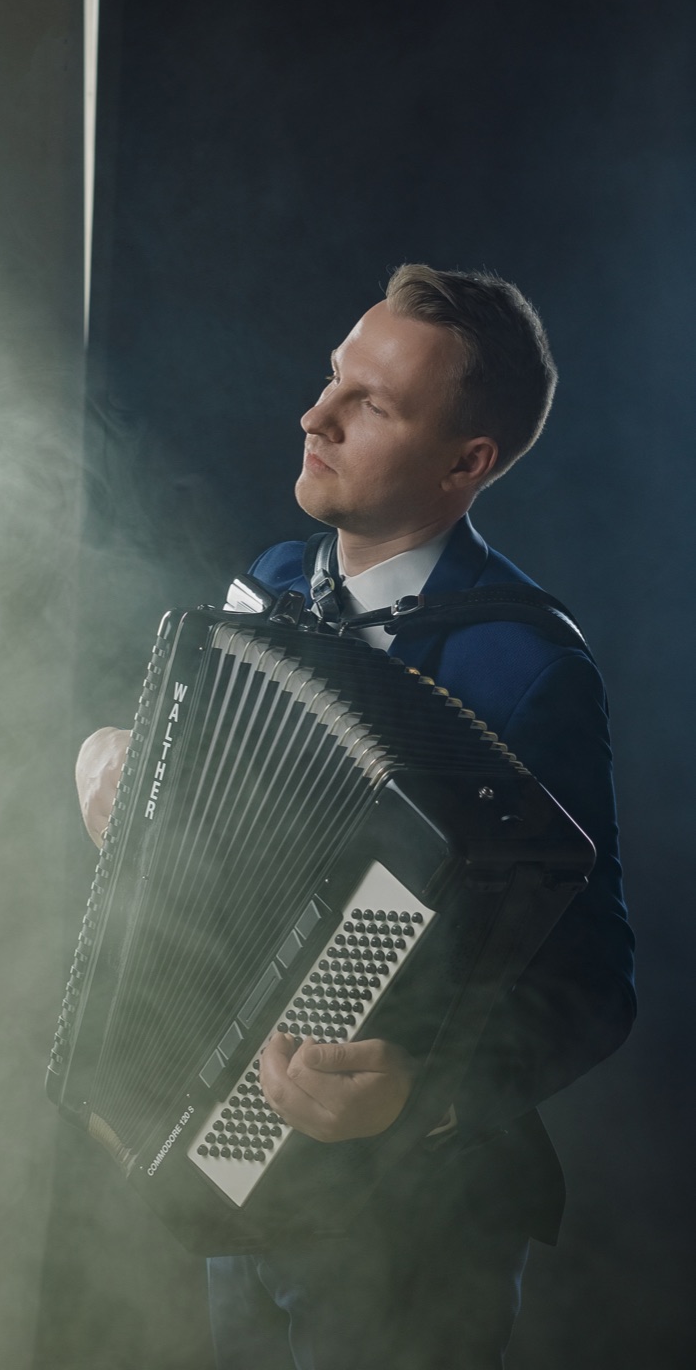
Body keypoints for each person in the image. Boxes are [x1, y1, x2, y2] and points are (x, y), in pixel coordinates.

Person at [75, 264, 635, 1370]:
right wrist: (113, 771)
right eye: (333, 376)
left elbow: (595, 984)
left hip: (419, 1229)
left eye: (370, 404)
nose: (315, 415)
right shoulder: (273, 583)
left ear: (465, 464)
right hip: (241, 1166)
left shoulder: (527, 671)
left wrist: (423, 1091)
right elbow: (222, 855)